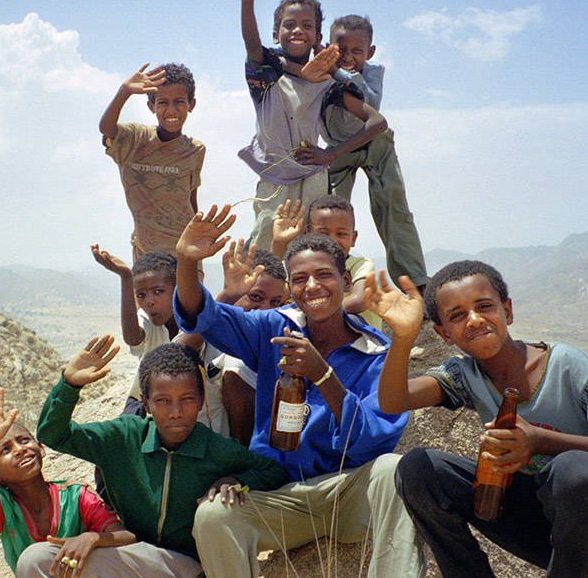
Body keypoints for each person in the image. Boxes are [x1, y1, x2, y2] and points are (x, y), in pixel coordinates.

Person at [367, 260, 588, 578]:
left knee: (574, 469)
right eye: (457, 316)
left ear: (507, 311)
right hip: (544, 525)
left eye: (484, 306)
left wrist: (541, 441)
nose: (474, 320)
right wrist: (403, 337)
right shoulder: (465, 375)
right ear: (444, 334)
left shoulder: (565, 364)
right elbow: (393, 401)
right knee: (417, 469)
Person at [174, 203, 422, 578]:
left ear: (344, 278)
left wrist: (324, 377)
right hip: (281, 498)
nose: (312, 287)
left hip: (345, 492)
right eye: (300, 278)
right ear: (289, 286)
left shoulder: (376, 354)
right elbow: (205, 316)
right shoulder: (274, 327)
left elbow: (373, 440)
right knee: (212, 514)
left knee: (396, 470)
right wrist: (186, 262)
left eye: (324, 275)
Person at [36, 336, 290, 575]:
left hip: (186, 566)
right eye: (163, 401)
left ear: (202, 401)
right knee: (38, 559)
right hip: (131, 555)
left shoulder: (215, 448)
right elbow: (52, 434)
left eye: (187, 399)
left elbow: (273, 472)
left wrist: (233, 480)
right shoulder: (124, 437)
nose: (176, 412)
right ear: (146, 403)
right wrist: (69, 385)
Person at [229, 0, 387, 251]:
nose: (297, 30)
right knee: (266, 249)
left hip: (313, 178)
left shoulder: (328, 84)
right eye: (289, 25)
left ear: (317, 37)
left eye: (307, 26)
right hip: (274, 181)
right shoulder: (266, 74)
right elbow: (253, 47)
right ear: (277, 34)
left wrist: (331, 154)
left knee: (312, 251)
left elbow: (377, 121)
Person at [0, 385, 137, 577]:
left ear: (40, 447)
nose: (20, 449)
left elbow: (127, 538)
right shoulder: (2, 506)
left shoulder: (75, 495)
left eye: (24, 440)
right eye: (6, 450)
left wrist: (92, 538)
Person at [323, 14, 428, 291]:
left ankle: (415, 283)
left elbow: (367, 100)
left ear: (369, 52)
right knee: (328, 214)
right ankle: (329, 278)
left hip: (374, 145)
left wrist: (337, 72)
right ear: (327, 45)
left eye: (357, 51)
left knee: (394, 207)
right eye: (341, 49)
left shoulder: (371, 72)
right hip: (336, 151)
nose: (348, 56)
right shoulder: (318, 70)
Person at [99, 62, 205, 260]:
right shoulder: (134, 140)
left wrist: (197, 236)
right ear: (151, 106)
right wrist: (124, 91)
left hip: (184, 254)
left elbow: (190, 199)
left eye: (179, 101)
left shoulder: (195, 150)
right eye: (163, 102)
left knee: (186, 293)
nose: (171, 110)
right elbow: (106, 129)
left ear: (191, 105)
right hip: (146, 255)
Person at [205, 241, 290, 445]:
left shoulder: (277, 334)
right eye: (255, 297)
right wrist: (226, 296)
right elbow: (182, 347)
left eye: (275, 302)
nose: (264, 309)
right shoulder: (212, 326)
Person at [271, 194, 381, 330]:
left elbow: (359, 300)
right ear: (307, 235)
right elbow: (272, 293)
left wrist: (313, 314)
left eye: (341, 234)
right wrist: (279, 243)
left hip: (358, 344)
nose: (332, 240)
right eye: (323, 234)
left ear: (353, 238)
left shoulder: (360, 265)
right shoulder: (298, 268)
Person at [90, 247, 179, 411]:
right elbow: (133, 338)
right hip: (142, 403)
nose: (149, 302)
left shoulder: (196, 323)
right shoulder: (148, 319)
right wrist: (125, 278)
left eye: (158, 292)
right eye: (141, 295)